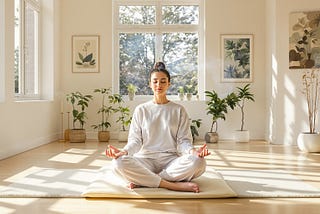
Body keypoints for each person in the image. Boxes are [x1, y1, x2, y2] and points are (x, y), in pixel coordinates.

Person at [106, 62, 210, 193]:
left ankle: (145, 181)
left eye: (162, 81)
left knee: (199, 163)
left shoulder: (178, 110)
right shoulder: (141, 110)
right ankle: (171, 185)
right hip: (144, 160)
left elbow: (184, 141)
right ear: (150, 84)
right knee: (118, 163)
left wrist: (194, 152)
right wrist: (124, 152)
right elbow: (135, 141)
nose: (158, 85)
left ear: (169, 84)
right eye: (155, 81)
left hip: (171, 161)